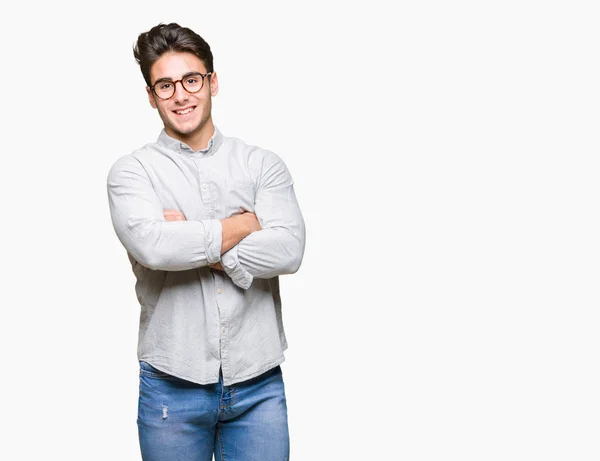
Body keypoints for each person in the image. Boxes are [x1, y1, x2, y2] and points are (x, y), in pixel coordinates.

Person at [106, 22, 306, 461]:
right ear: (151, 96)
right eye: (165, 85)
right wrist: (244, 226)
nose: (180, 95)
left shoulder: (262, 165)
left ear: (212, 82)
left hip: (258, 385)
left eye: (191, 79)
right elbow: (155, 247)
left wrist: (191, 239)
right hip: (171, 388)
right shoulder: (132, 173)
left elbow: (288, 251)